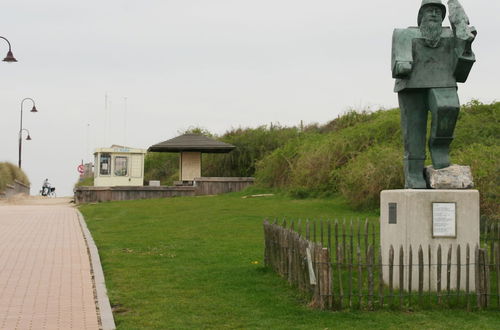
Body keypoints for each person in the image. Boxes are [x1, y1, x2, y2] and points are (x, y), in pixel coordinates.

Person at [391, 0, 476, 188]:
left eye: (438, 11)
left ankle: (439, 149)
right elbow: (399, 60)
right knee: (414, 131)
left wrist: (466, 43)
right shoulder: (405, 34)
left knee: (449, 107)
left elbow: (461, 71)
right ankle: (413, 173)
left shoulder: (450, 36)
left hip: (443, 83)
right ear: (420, 16)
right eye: (429, 10)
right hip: (411, 87)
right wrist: (403, 63)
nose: (434, 14)